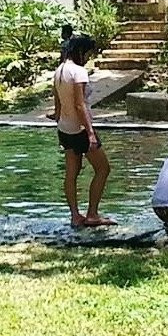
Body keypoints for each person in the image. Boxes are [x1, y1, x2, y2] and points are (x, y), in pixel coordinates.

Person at [52, 35, 116, 227]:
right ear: (80, 51)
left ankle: (75, 216)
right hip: (80, 129)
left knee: (71, 173)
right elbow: (80, 105)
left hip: (64, 129)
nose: (88, 58)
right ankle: (92, 214)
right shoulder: (78, 72)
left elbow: (57, 102)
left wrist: (56, 116)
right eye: (88, 54)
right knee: (103, 169)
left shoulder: (58, 71)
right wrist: (90, 133)